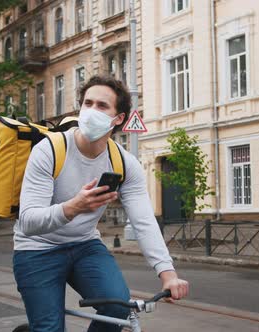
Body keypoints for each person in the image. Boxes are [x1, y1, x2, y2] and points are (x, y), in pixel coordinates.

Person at [13, 75, 189, 332]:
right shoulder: (49, 150)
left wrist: (168, 274)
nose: (91, 111)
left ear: (118, 119)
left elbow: (144, 222)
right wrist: (73, 207)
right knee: (49, 328)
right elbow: (28, 222)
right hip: (36, 249)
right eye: (88, 103)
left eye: (102, 106)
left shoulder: (124, 163)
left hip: (85, 246)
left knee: (119, 307)